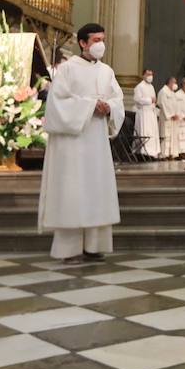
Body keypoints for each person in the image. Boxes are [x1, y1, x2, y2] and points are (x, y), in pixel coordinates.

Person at [39, 23, 124, 263]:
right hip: (73, 142)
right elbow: (57, 103)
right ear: (83, 43)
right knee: (73, 190)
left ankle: (95, 246)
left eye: (103, 39)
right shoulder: (67, 69)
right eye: (95, 40)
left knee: (96, 189)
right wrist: (89, 105)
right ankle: (69, 249)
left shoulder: (107, 71)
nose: (100, 44)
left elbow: (117, 99)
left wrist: (110, 107)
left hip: (97, 140)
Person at [133, 69, 161, 160]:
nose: (150, 76)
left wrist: (153, 102)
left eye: (151, 74)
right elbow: (137, 99)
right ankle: (143, 152)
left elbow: (154, 99)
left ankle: (153, 153)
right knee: (145, 131)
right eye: (148, 74)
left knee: (152, 132)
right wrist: (149, 100)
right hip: (143, 113)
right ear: (143, 75)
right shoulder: (139, 87)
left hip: (151, 112)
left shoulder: (151, 87)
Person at [159, 76, 180, 159]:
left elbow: (176, 105)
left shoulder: (173, 93)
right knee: (165, 136)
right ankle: (164, 154)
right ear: (170, 82)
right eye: (174, 82)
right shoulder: (163, 91)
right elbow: (163, 104)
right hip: (166, 118)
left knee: (172, 137)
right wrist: (170, 115)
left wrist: (176, 114)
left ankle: (171, 154)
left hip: (173, 119)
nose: (175, 84)